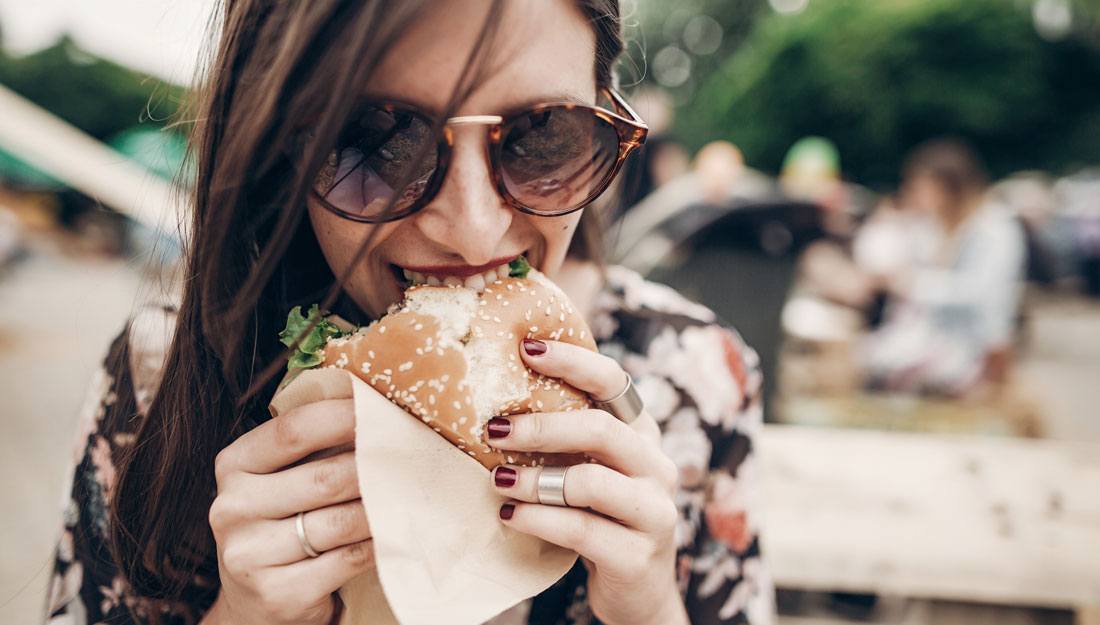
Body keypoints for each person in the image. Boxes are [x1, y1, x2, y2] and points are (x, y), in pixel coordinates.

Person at [46, 2, 773, 624]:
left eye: (544, 134)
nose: (472, 229)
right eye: (377, 143)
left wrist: (650, 608)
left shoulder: (699, 377)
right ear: (276, 150)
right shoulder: (158, 376)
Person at [861, 139, 1027, 395]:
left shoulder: (994, 228)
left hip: (974, 347)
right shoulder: (934, 226)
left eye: (921, 186)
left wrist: (910, 283)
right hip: (934, 338)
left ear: (949, 187)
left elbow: (980, 294)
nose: (914, 194)